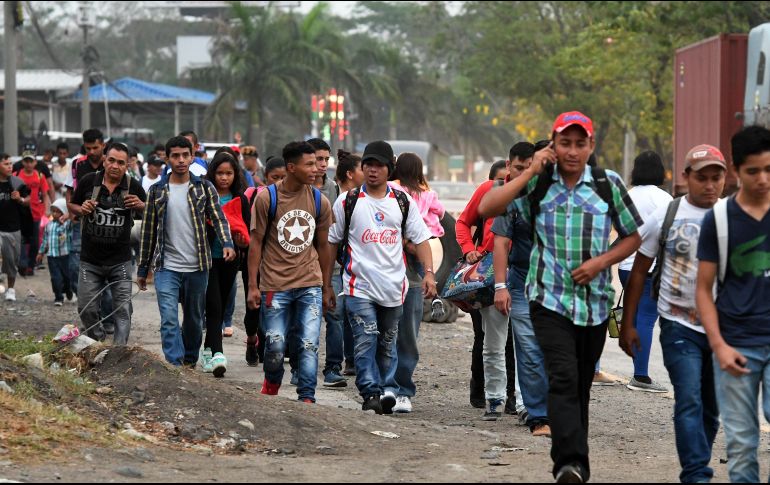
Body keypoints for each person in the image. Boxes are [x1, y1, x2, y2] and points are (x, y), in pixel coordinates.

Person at [479, 111, 642, 483]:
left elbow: (634, 236)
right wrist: (530, 170)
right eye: (564, 143)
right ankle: (567, 463)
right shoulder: (537, 185)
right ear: (553, 145)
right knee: (563, 377)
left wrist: (601, 261)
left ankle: (575, 463)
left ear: (591, 146)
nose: (571, 151)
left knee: (580, 384)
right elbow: (488, 210)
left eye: (579, 144)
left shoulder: (607, 184)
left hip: (595, 303)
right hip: (547, 300)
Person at [620, 144, 726, 483]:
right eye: (702, 178)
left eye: (716, 178)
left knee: (711, 408)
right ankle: (695, 474)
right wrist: (628, 323)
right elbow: (639, 270)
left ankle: (697, 458)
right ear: (685, 178)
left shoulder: (732, 218)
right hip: (677, 324)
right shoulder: (667, 215)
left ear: (725, 179)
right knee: (689, 398)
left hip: (722, 329)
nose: (709, 185)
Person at [328, 140, 437, 414]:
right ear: (362, 168)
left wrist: (429, 274)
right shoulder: (348, 201)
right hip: (358, 285)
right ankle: (370, 393)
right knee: (366, 338)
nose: (373, 171)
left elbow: (422, 238)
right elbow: (332, 241)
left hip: (393, 287)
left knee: (387, 343)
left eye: (379, 166)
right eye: (369, 165)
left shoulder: (402, 201)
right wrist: (325, 282)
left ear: (390, 169)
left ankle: (388, 388)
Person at [697, 126, 770, 483]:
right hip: (736, 344)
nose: (763, 179)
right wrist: (719, 346)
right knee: (741, 445)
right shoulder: (720, 219)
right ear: (737, 172)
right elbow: (703, 289)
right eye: (754, 171)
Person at [246, 141, 333, 404]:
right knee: (274, 345)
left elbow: (324, 245)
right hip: (275, 285)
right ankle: (272, 380)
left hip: (310, 284)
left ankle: (306, 397)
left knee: (308, 344)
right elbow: (256, 243)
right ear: (291, 167)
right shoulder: (267, 198)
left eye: (318, 163)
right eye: (309, 164)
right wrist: (253, 285)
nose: (316, 168)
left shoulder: (320, 201)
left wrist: (326, 286)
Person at [137, 136, 235, 367]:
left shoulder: (204, 187)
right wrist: (143, 268)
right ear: (167, 158)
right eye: (175, 156)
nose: (180, 160)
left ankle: (190, 360)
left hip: (198, 265)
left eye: (185, 155)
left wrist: (227, 242)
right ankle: (175, 364)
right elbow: (148, 231)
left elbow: (218, 217)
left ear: (192, 157)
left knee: (193, 319)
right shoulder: (156, 191)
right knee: (169, 318)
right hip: (166, 267)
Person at [456, 143, 531, 416]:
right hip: (490, 275)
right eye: (518, 167)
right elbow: (463, 222)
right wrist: (469, 251)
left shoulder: (540, 195)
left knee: (526, 344)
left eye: (529, 168)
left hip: (527, 277)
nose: (523, 173)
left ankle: (524, 403)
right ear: (509, 166)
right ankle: (495, 399)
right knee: (492, 342)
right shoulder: (490, 191)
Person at [486, 141, 551, 437]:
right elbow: (499, 242)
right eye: (524, 167)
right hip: (522, 284)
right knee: (529, 350)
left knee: (555, 350)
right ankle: (538, 414)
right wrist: (500, 286)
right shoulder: (511, 198)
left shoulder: (563, 196)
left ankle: (555, 406)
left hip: (558, 286)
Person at [381, 152, 445, 413]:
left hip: (399, 257)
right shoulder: (427, 193)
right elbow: (440, 213)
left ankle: (392, 387)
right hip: (417, 257)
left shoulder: (390, 189)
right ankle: (398, 389)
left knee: (389, 329)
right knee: (407, 330)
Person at [70, 142, 146, 344]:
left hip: (120, 261)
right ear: (104, 159)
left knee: (122, 310)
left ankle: (117, 354)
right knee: (86, 309)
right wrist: (82, 209)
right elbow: (72, 205)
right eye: (111, 160)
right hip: (90, 261)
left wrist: (141, 206)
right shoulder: (88, 182)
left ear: (127, 165)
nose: (115, 166)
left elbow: (150, 213)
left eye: (121, 162)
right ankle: (97, 341)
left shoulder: (133, 186)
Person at [614, 151, 673, 392]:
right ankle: (640, 376)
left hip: (625, 267)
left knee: (633, 316)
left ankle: (598, 368)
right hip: (650, 267)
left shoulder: (625, 196)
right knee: (646, 319)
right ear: (659, 171)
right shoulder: (665, 199)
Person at [201, 152, 250, 377]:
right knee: (214, 304)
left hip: (230, 260)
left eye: (228, 173)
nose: (224, 178)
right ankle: (218, 354)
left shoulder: (241, 199)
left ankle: (208, 349)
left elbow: (247, 230)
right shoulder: (203, 196)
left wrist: (241, 242)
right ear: (212, 173)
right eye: (220, 173)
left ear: (235, 175)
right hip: (207, 259)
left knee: (219, 305)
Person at [242, 156, 288, 366]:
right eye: (274, 177)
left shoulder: (293, 200)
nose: (278, 182)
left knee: (275, 307)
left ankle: (267, 348)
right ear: (265, 177)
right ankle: (252, 340)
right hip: (255, 261)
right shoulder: (254, 196)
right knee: (254, 309)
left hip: (280, 263)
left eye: (283, 177)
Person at [0, 154, 31, 302]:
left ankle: (11, 289)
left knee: (12, 261)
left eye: (10, 164)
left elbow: (29, 200)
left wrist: (20, 199)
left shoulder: (17, 183)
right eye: (6, 164)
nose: (10, 167)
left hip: (13, 228)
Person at [15, 151, 51, 277]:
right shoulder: (16, 176)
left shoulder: (40, 176)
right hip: (20, 214)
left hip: (36, 213)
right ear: (22, 162)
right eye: (26, 161)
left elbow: (45, 194)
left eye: (31, 161)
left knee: (35, 241)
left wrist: (47, 209)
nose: (29, 164)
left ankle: (31, 265)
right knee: (22, 240)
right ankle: (23, 264)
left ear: (35, 162)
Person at [36, 199, 74, 306]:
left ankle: (68, 289)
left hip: (64, 255)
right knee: (55, 277)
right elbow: (44, 240)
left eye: (58, 211)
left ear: (63, 212)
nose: (54, 214)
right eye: (53, 211)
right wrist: (40, 252)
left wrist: (66, 219)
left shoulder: (67, 225)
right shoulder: (49, 225)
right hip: (52, 256)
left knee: (67, 276)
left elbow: (71, 231)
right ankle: (58, 297)